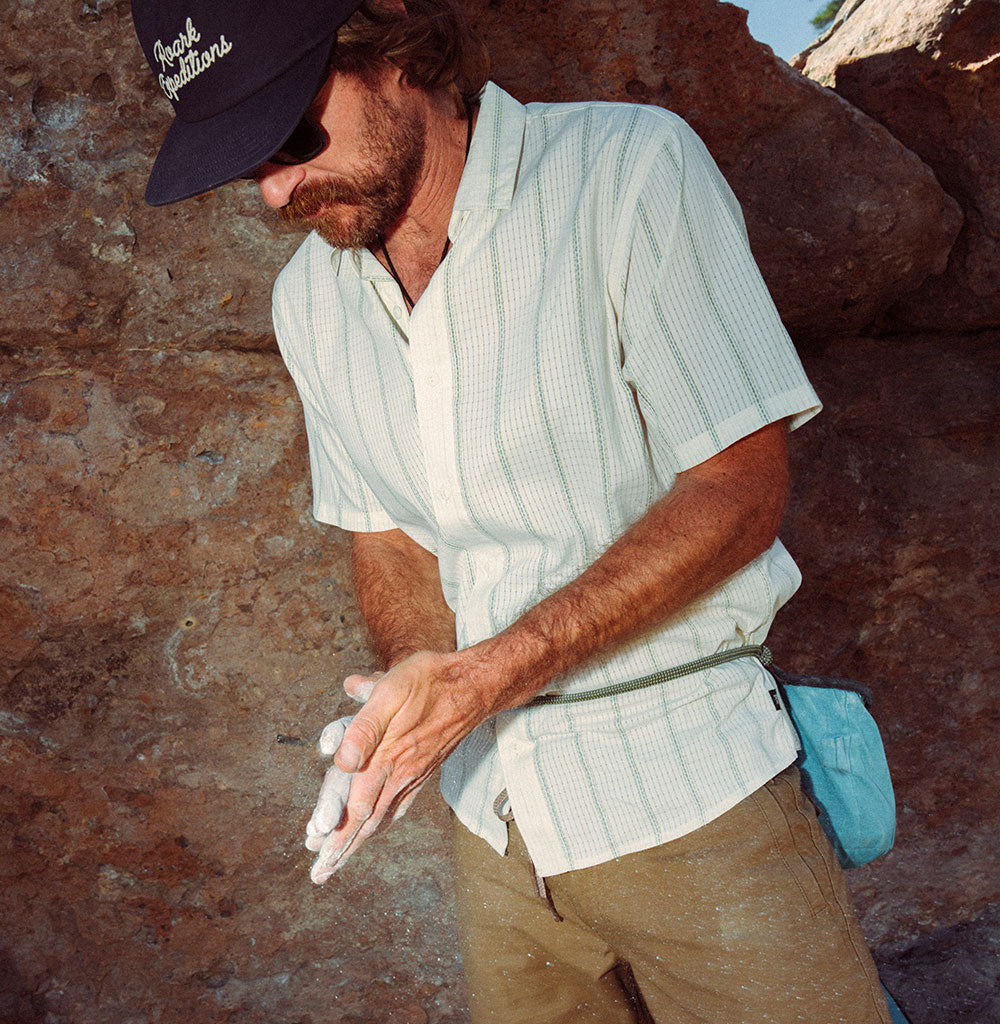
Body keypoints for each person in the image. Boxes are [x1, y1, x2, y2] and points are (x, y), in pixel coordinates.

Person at [132, 1, 893, 1020]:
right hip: (494, 827)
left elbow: (738, 486)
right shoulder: (307, 302)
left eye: (288, 135)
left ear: (394, 50)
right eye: (242, 162)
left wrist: (481, 677)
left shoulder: (627, 173)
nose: (275, 188)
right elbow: (387, 534)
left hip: (693, 795)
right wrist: (415, 676)